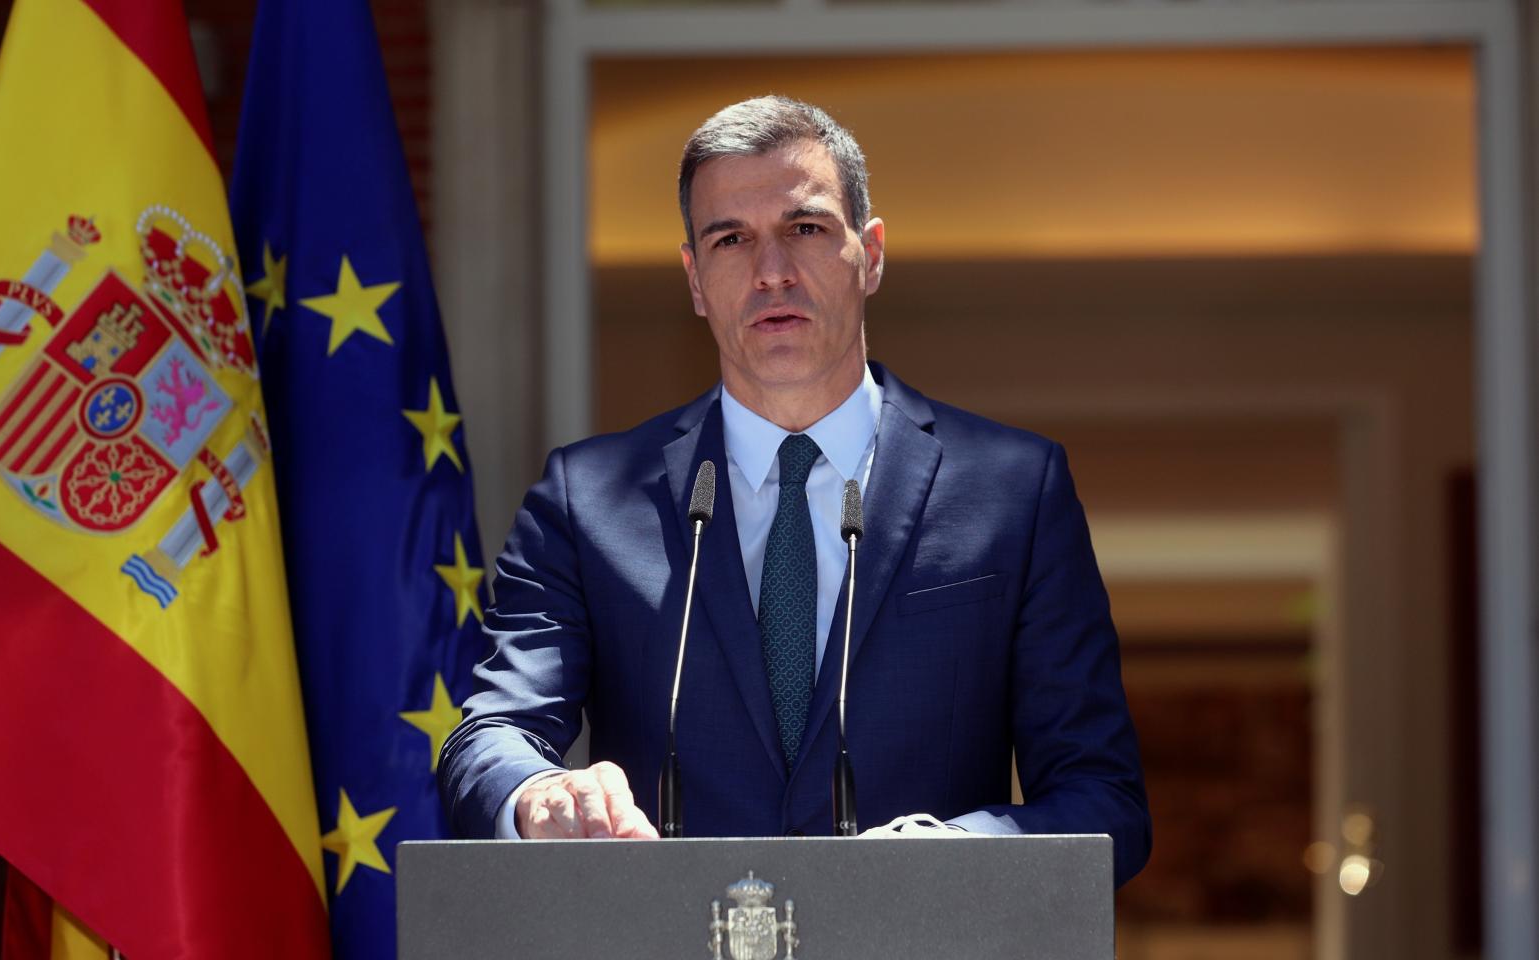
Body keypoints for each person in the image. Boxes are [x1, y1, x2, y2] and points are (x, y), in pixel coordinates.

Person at [438, 95, 1150, 886]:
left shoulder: (1016, 490)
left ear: (870, 254)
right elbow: (490, 733)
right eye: (731, 240)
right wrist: (541, 794)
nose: (771, 271)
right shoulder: (586, 500)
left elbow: (1102, 797)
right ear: (695, 279)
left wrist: (957, 853)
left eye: (804, 229)